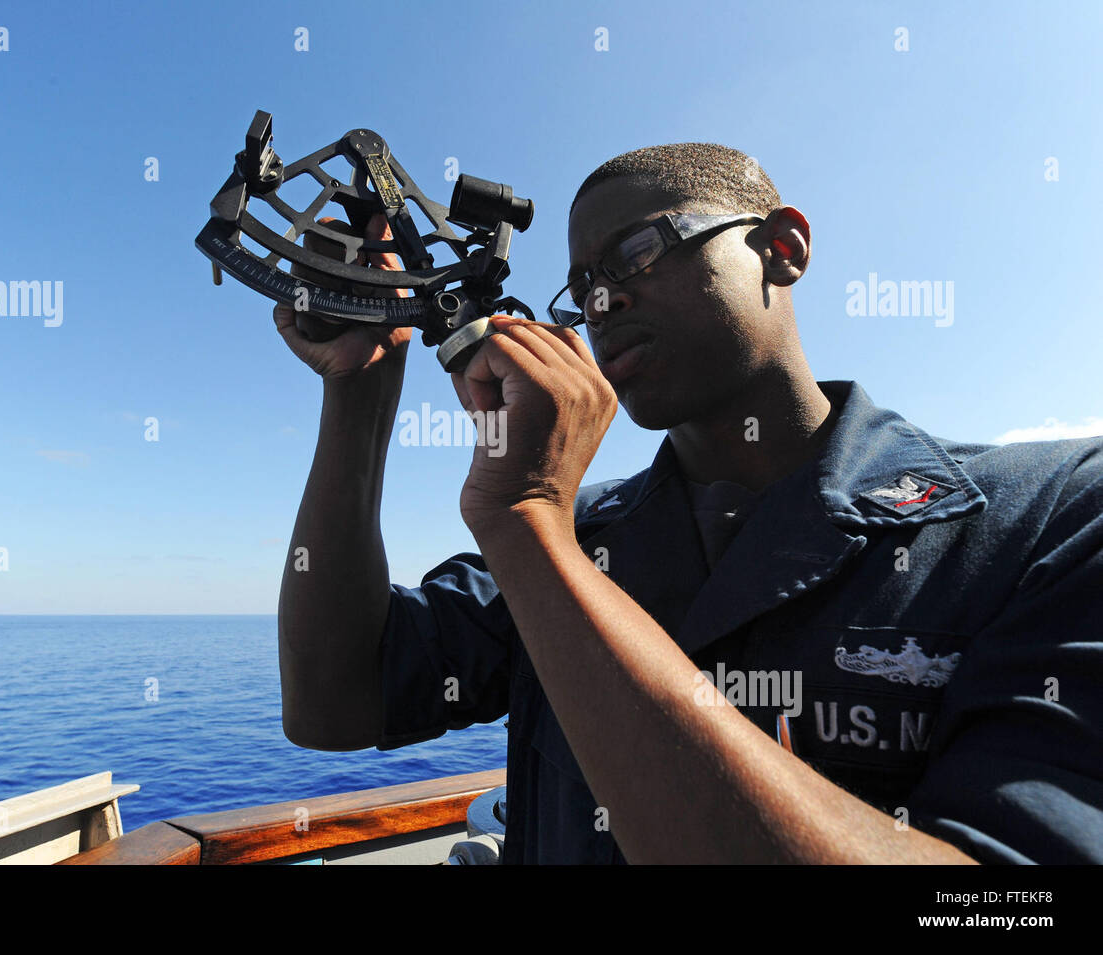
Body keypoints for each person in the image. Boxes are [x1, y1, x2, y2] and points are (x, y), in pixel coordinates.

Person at [272, 144, 1103, 864]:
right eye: (581, 287)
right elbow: (335, 700)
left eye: (635, 252)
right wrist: (363, 387)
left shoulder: (1051, 515)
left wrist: (527, 516)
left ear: (783, 247)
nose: (601, 303)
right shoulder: (576, 535)